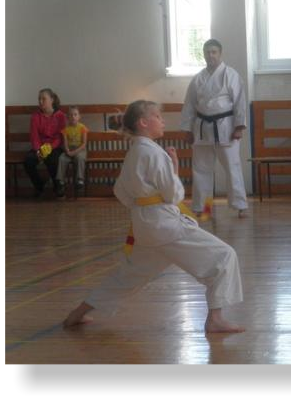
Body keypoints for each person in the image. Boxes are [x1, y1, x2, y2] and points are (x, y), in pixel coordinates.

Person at [63, 100, 245, 334]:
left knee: (128, 276)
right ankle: (215, 319)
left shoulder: (134, 152)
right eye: (158, 116)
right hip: (165, 226)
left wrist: (142, 205)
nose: (162, 121)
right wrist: (174, 169)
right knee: (224, 256)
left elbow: (120, 191)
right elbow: (173, 195)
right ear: (143, 122)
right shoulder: (154, 153)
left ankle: (78, 313)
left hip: (144, 226)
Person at [180, 39, 249, 219]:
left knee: (232, 167)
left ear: (220, 53)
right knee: (201, 169)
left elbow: (240, 102)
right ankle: (202, 207)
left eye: (214, 52)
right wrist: (187, 129)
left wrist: (239, 127)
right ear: (203, 54)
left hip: (225, 127)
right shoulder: (198, 78)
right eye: (207, 52)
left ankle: (240, 205)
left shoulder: (230, 74)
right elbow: (189, 105)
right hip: (202, 128)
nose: (210, 55)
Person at [23, 88, 66, 198]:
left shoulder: (60, 115)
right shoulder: (35, 116)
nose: (40, 101)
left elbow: (60, 137)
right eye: (39, 99)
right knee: (28, 161)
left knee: (53, 160)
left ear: (51, 100)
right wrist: (39, 150)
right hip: (39, 147)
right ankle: (39, 185)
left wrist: (50, 148)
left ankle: (57, 186)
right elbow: (34, 136)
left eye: (43, 99)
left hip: (54, 147)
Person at [56, 106, 89, 197]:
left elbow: (84, 144)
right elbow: (65, 143)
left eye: (75, 114)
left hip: (80, 149)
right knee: (62, 158)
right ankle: (61, 181)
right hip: (69, 149)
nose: (73, 117)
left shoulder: (83, 128)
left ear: (79, 116)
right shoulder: (65, 129)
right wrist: (67, 151)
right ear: (67, 117)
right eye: (70, 115)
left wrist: (74, 152)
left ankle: (80, 179)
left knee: (80, 158)